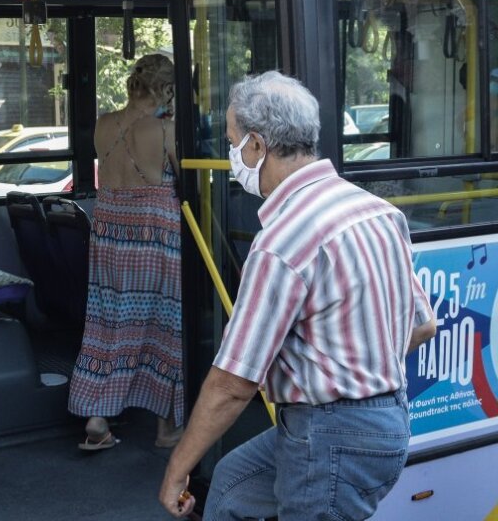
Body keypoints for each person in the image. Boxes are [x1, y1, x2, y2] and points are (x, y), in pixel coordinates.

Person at [158, 72, 436, 520]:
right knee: (231, 487)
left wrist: (177, 469)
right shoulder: (378, 212)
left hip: (330, 435)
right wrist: (359, 371)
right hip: (388, 424)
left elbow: (233, 383)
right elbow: (423, 325)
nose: (230, 155)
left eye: (231, 142)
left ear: (256, 146)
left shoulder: (281, 242)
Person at [69, 53, 184, 451]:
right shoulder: (165, 129)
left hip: (109, 233)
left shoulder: (103, 123)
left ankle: (97, 419)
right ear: (167, 90)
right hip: (154, 234)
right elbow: (188, 176)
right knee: (163, 326)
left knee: (107, 324)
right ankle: (166, 428)